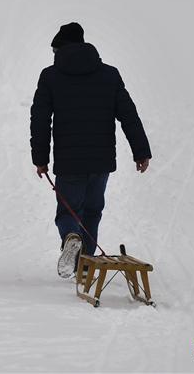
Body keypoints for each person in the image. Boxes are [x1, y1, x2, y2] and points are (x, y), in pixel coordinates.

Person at [30, 22, 152, 278]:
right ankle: (85, 264)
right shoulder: (109, 75)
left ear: (60, 49)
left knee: (68, 211)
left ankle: (71, 238)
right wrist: (141, 151)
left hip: (68, 161)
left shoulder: (50, 76)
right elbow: (128, 114)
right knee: (92, 211)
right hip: (101, 160)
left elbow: (40, 119)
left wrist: (40, 158)